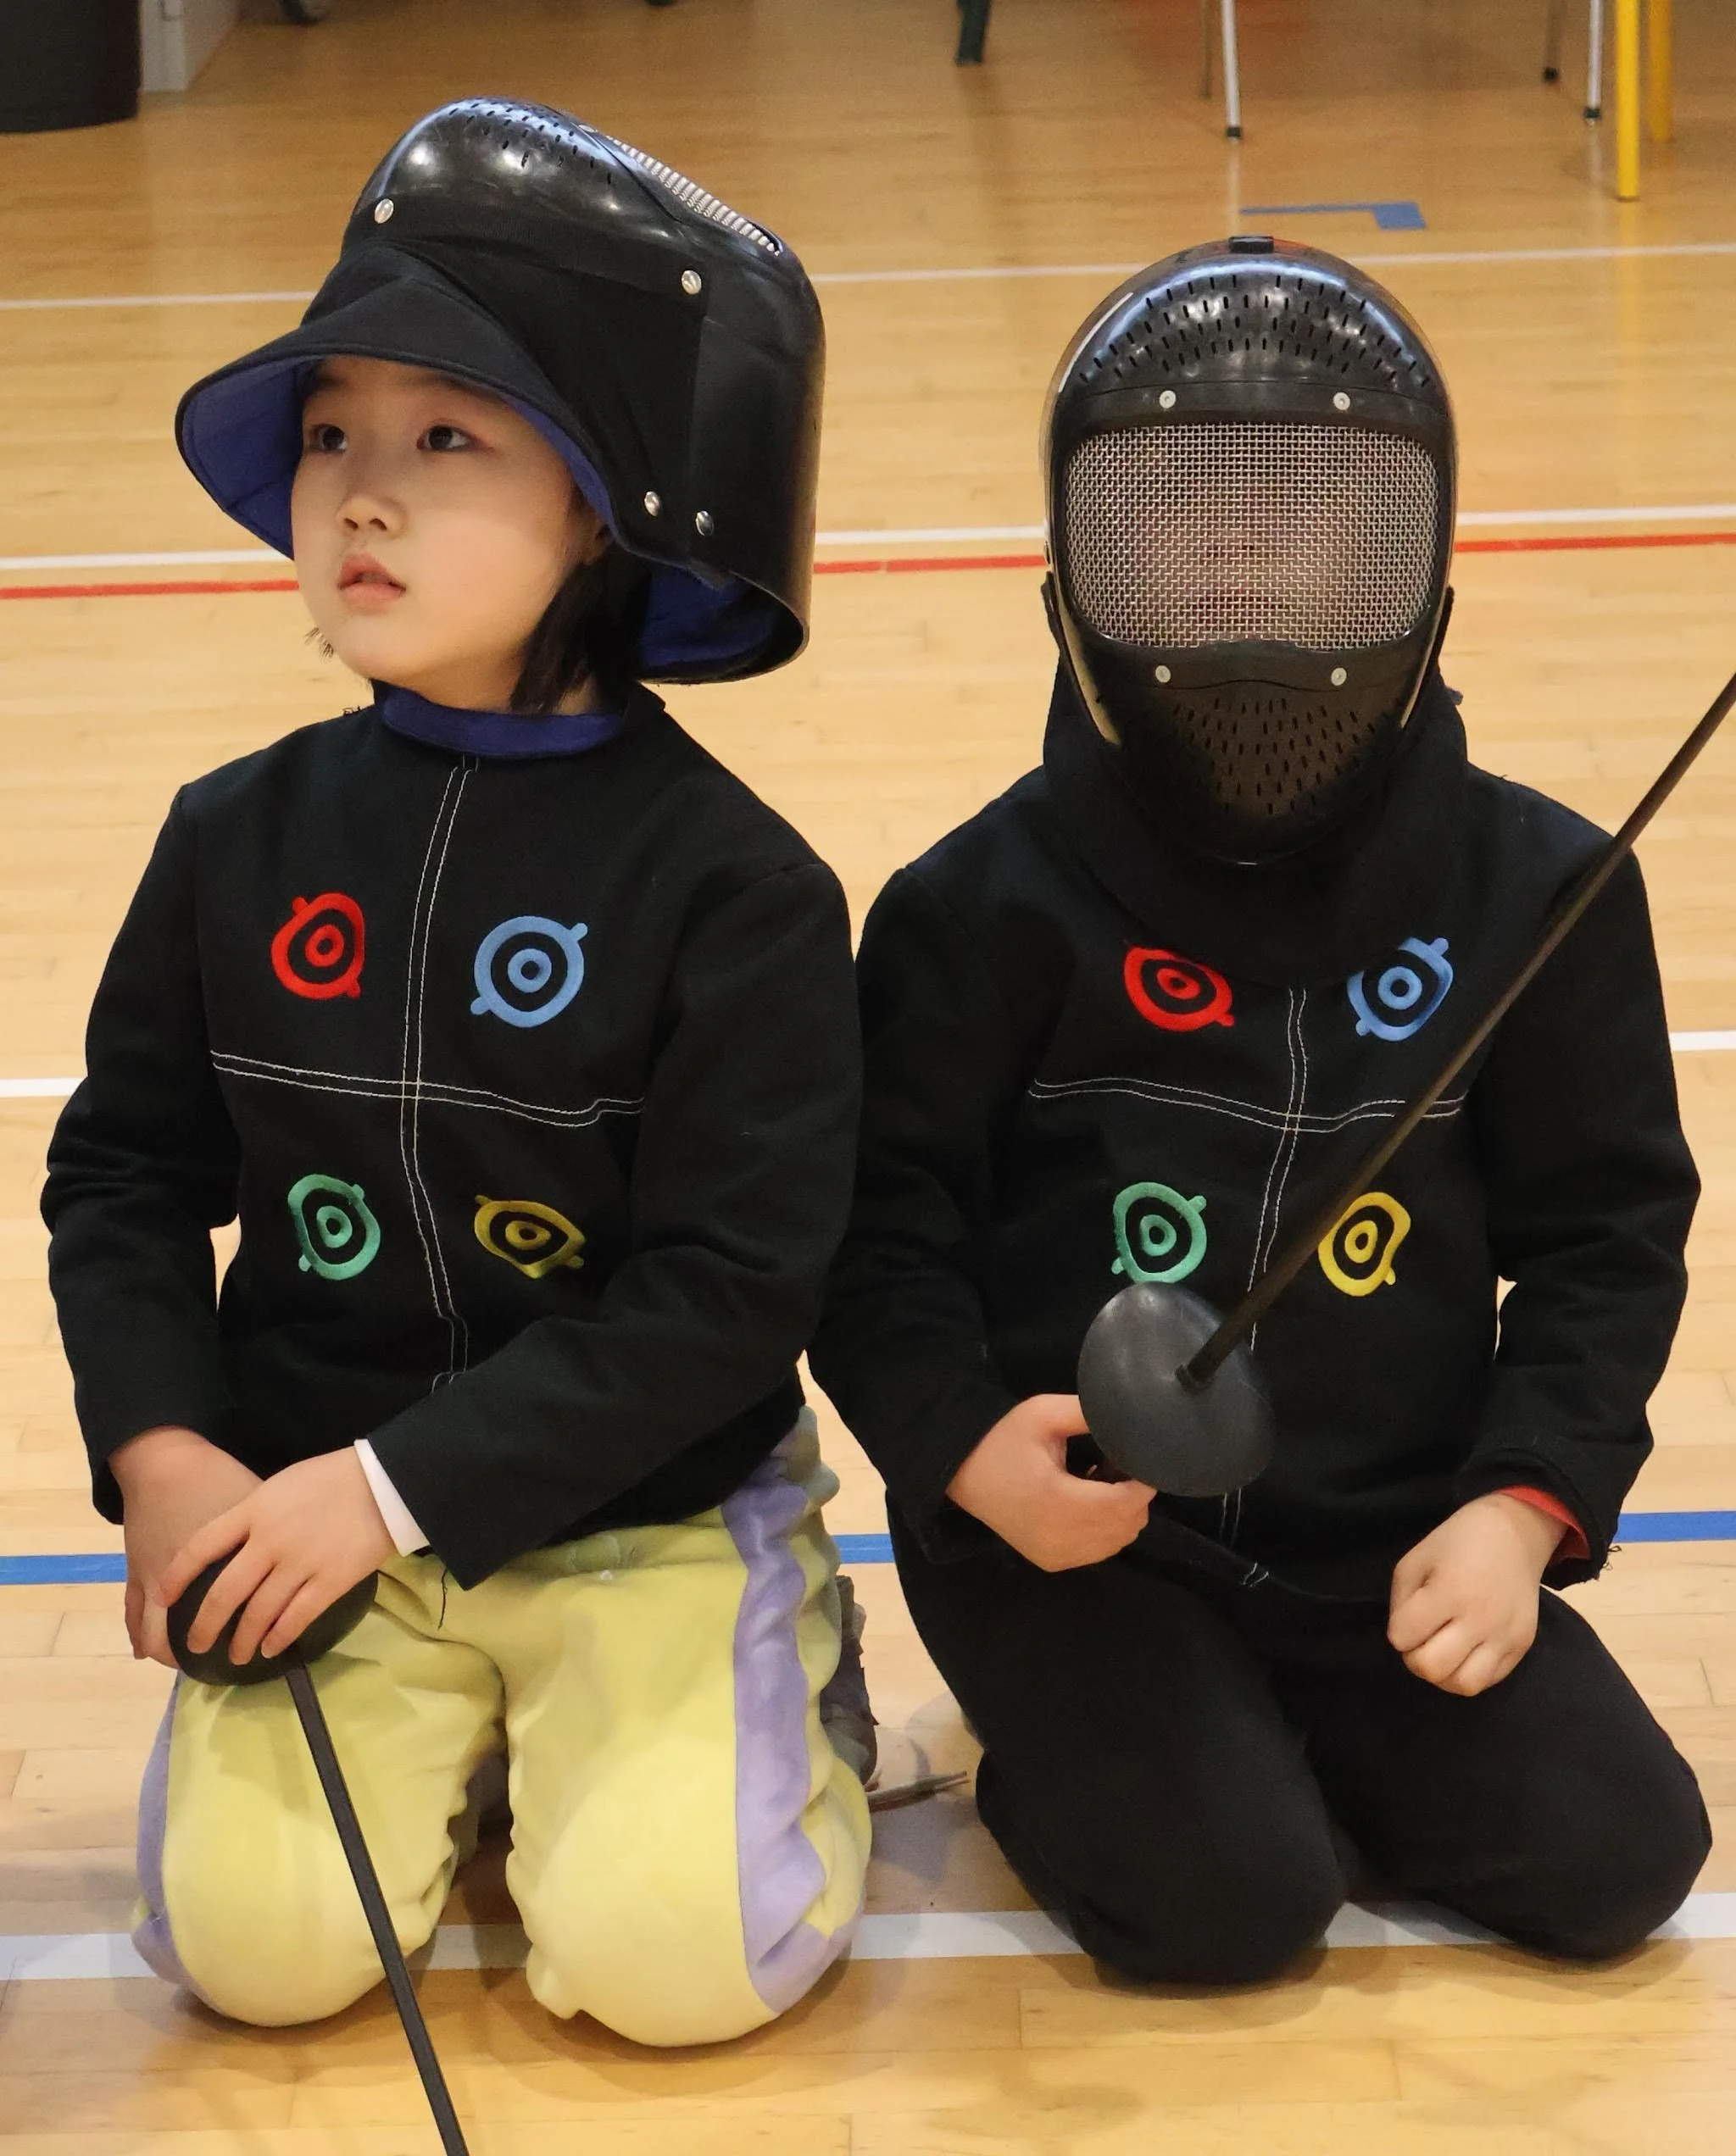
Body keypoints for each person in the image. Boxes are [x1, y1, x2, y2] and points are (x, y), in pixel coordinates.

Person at [42, 98, 871, 2043]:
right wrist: (170, 1451)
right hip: (310, 1499)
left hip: (641, 1517)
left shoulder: (739, 890)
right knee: (242, 1957)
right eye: (334, 432)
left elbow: (734, 1295)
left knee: (685, 1972)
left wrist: (400, 1490)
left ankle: (786, 1676)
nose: (360, 494)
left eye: (448, 436)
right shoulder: (229, 833)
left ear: (608, 502)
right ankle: (499, 1751)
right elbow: (128, 1178)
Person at [810, 236, 1711, 1984]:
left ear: (1416, 564)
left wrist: (1523, 1507)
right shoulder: (973, 910)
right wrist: (965, 1455)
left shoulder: (1545, 895)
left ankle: (1255, 1747)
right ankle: (1143, 1751)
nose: (1242, 587)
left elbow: (1609, 1238)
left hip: (1393, 1536)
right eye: (1179, 530)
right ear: (1077, 570)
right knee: (1230, 1911)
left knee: (1620, 1863)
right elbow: (877, 1232)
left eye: (1300, 530)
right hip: (1078, 1543)